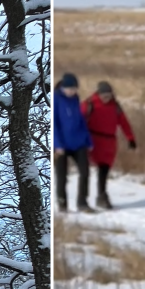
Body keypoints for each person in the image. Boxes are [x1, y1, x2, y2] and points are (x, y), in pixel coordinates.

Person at [80, 81, 137, 210]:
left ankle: (102, 195)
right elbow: (78, 121)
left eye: (109, 95)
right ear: (98, 94)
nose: (107, 98)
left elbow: (124, 122)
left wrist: (130, 138)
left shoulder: (115, 106)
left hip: (110, 142)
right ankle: (82, 200)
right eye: (104, 96)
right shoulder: (89, 104)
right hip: (92, 140)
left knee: (104, 169)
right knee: (85, 170)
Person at [53, 72, 92, 213]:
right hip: (61, 145)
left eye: (75, 89)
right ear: (64, 87)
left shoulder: (75, 98)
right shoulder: (56, 99)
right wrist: (57, 144)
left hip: (78, 143)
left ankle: (83, 203)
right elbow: (54, 124)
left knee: (85, 172)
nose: (72, 91)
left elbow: (81, 121)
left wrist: (88, 140)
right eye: (70, 89)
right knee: (62, 175)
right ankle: (62, 204)